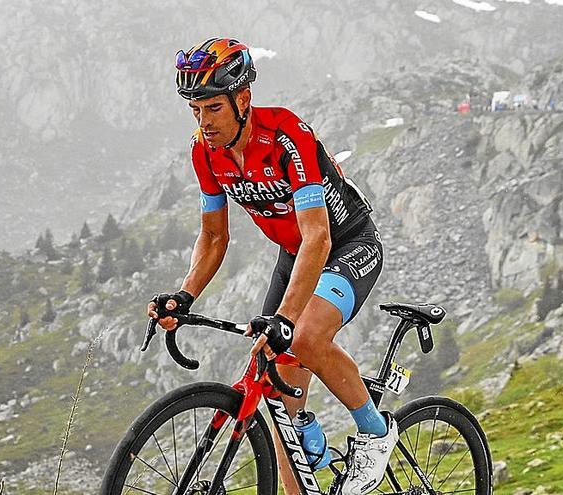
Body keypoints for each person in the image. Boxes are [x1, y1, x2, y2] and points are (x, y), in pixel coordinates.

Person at [147, 37, 396, 495]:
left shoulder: (287, 137)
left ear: (242, 99)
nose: (204, 122)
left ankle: (376, 433)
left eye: (213, 108)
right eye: (195, 110)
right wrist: (185, 295)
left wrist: (285, 317)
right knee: (276, 395)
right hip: (294, 255)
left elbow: (318, 236)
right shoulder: (205, 152)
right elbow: (214, 236)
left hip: (345, 244)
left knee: (303, 336)